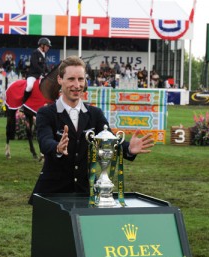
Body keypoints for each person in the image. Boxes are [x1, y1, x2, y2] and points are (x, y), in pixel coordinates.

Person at [29, 56, 154, 204]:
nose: (77, 85)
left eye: (81, 79)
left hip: (86, 192)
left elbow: (110, 141)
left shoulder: (95, 114)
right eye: (71, 79)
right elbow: (45, 141)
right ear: (59, 80)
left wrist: (128, 149)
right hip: (52, 192)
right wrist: (56, 147)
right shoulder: (46, 113)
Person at [23, 37, 51, 103]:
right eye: (47, 46)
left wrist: (50, 72)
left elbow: (45, 66)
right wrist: (43, 72)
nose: (48, 48)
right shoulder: (35, 53)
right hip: (33, 75)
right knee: (30, 86)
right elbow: (35, 65)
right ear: (42, 45)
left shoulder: (43, 54)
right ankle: (23, 103)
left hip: (40, 75)